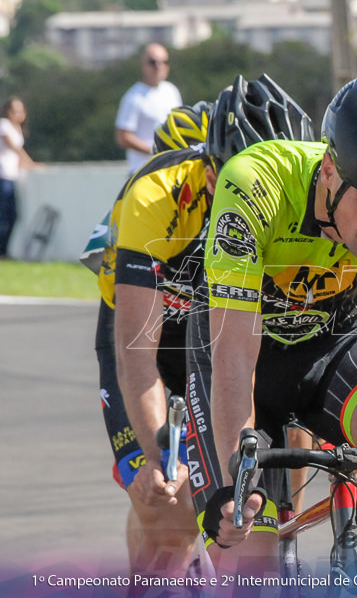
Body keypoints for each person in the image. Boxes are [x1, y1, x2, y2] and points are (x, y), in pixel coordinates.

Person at [186, 75, 357, 578]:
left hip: (341, 342)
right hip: (246, 356)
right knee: (249, 562)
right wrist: (234, 479)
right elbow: (236, 352)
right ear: (329, 168)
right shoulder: (256, 183)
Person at [94, 82, 281, 578]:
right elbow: (136, 354)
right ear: (210, 167)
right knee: (165, 500)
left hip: (215, 333)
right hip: (147, 335)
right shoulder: (159, 196)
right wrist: (156, 455)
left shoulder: (286, 203)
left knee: (259, 493)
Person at [115, 43, 182, 175]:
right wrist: (154, 150)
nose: (159, 67)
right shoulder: (133, 97)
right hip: (143, 171)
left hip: (169, 169)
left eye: (164, 62)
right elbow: (123, 137)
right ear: (143, 65)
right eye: (153, 62)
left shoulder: (171, 91)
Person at [0, 97, 39, 258]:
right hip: (3, 175)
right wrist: (30, 163)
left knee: (12, 215)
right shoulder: (4, 125)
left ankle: (4, 250)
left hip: (12, 174)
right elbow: (14, 148)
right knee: (4, 215)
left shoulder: (17, 128)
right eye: (15, 110)